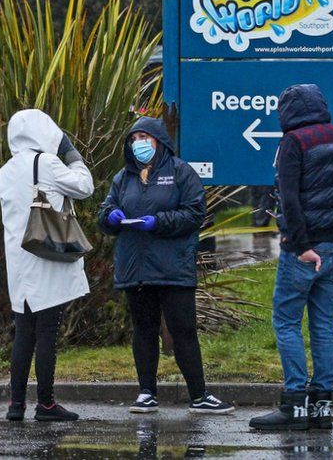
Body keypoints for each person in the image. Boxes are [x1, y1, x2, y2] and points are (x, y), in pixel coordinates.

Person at [97, 116, 235, 415]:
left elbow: (195, 213)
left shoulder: (181, 172)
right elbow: (105, 210)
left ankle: (199, 395)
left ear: (159, 140)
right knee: (143, 330)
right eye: (133, 139)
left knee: (183, 330)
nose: (138, 144)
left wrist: (158, 222)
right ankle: (146, 393)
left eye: (144, 137)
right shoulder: (123, 178)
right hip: (136, 268)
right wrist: (109, 217)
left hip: (173, 268)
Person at [249, 84, 333, 432]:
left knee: (286, 321)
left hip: (305, 248)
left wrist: (300, 244)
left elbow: (290, 199)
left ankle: (294, 404)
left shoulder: (293, 142)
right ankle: (322, 407)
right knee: (323, 326)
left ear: (288, 112)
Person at [0, 109, 94, 422]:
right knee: (47, 332)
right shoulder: (47, 163)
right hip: (46, 258)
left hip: (20, 264)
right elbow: (84, 187)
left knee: (24, 332)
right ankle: (47, 403)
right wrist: (72, 156)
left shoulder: (4, 172)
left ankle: (16, 404)